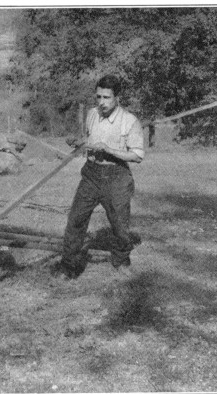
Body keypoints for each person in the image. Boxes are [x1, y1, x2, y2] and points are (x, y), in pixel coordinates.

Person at [55, 74, 144, 279]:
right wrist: (80, 142)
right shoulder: (92, 114)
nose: (101, 102)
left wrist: (109, 149)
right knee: (76, 219)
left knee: (119, 224)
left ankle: (121, 261)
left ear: (117, 98)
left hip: (116, 176)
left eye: (107, 98)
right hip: (91, 174)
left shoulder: (129, 121)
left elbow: (137, 155)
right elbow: (90, 140)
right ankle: (68, 267)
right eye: (99, 97)